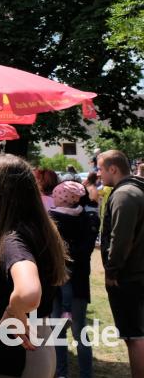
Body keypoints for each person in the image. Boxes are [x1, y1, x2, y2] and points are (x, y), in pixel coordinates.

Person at [0, 155, 69, 378]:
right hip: (40, 346)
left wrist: (12, 309)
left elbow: (29, 292)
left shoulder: (11, 239)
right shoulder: (39, 229)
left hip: (13, 355)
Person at [98, 149, 144, 377]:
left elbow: (121, 238)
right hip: (136, 273)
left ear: (113, 169)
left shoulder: (124, 194)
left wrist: (112, 271)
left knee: (135, 337)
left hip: (130, 277)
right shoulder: (135, 189)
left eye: (100, 168)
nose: (98, 174)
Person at [48, 181, 98, 378]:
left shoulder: (54, 219)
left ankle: (71, 373)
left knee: (67, 330)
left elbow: (82, 251)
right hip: (71, 282)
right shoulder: (87, 218)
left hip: (64, 282)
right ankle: (74, 373)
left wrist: (61, 255)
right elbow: (83, 252)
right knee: (71, 330)